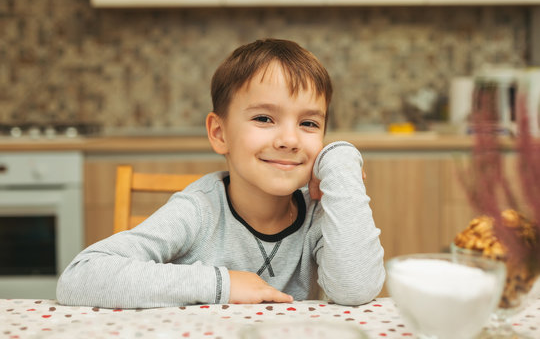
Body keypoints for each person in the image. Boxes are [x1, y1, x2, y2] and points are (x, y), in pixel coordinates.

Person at [56, 38, 385, 308]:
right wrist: (222, 284)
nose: (289, 140)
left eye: (309, 124)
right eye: (264, 119)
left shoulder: (318, 213)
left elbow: (355, 290)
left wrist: (340, 162)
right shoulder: (199, 211)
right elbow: (81, 277)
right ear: (219, 133)